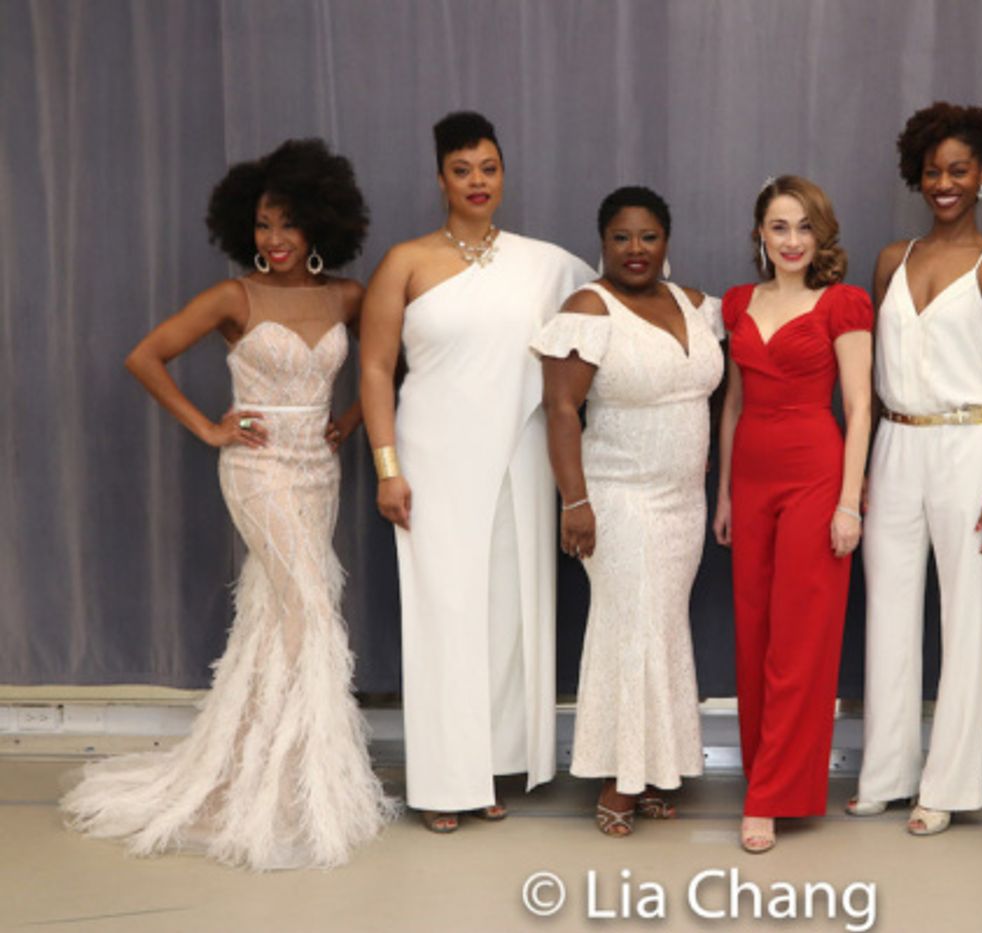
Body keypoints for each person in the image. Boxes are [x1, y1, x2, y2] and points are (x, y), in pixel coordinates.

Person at [62, 139, 396, 870]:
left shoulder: (348, 295)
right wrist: (211, 427)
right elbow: (144, 356)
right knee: (310, 605)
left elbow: (381, 364)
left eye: (288, 224)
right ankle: (313, 784)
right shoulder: (233, 298)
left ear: (319, 225)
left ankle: (256, 773)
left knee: (275, 619)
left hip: (319, 472)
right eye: (262, 225)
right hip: (257, 469)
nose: (273, 240)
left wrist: (352, 422)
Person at [359, 112, 591, 833]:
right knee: (444, 616)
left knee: (504, 617)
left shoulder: (546, 263)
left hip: (519, 457)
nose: (478, 182)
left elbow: (614, 303)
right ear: (441, 178)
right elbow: (372, 367)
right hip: (431, 459)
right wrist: (386, 466)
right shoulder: (405, 260)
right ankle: (439, 781)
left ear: (502, 172)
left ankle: (486, 767)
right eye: (463, 170)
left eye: (489, 168)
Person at [848, 103, 982, 835]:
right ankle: (886, 773)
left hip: (969, 444)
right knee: (887, 610)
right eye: (933, 170)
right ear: (916, 174)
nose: (944, 183)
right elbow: (863, 375)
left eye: (959, 169)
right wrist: (856, 467)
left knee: (966, 616)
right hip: (895, 442)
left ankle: (947, 785)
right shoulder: (892, 258)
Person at [533, 186, 724, 837]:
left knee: (662, 628)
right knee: (631, 630)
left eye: (648, 236)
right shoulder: (589, 308)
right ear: (602, 242)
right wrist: (575, 501)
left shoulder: (697, 306)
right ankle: (618, 780)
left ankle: (651, 772)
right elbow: (561, 411)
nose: (635, 249)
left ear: (666, 240)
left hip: (682, 502)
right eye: (621, 237)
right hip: (617, 497)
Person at [714, 175, 873, 854]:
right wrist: (723, 492)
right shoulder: (738, 303)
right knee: (753, 631)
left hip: (815, 471)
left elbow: (861, 407)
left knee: (800, 637)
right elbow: (732, 403)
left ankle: (769, 798)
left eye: (804, 227)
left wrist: (848, 501)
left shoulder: (843, 303)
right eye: (779, 226)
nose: (792, 240)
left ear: (822, 235)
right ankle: (767, 774)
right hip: (750, 476)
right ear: (760, 233)